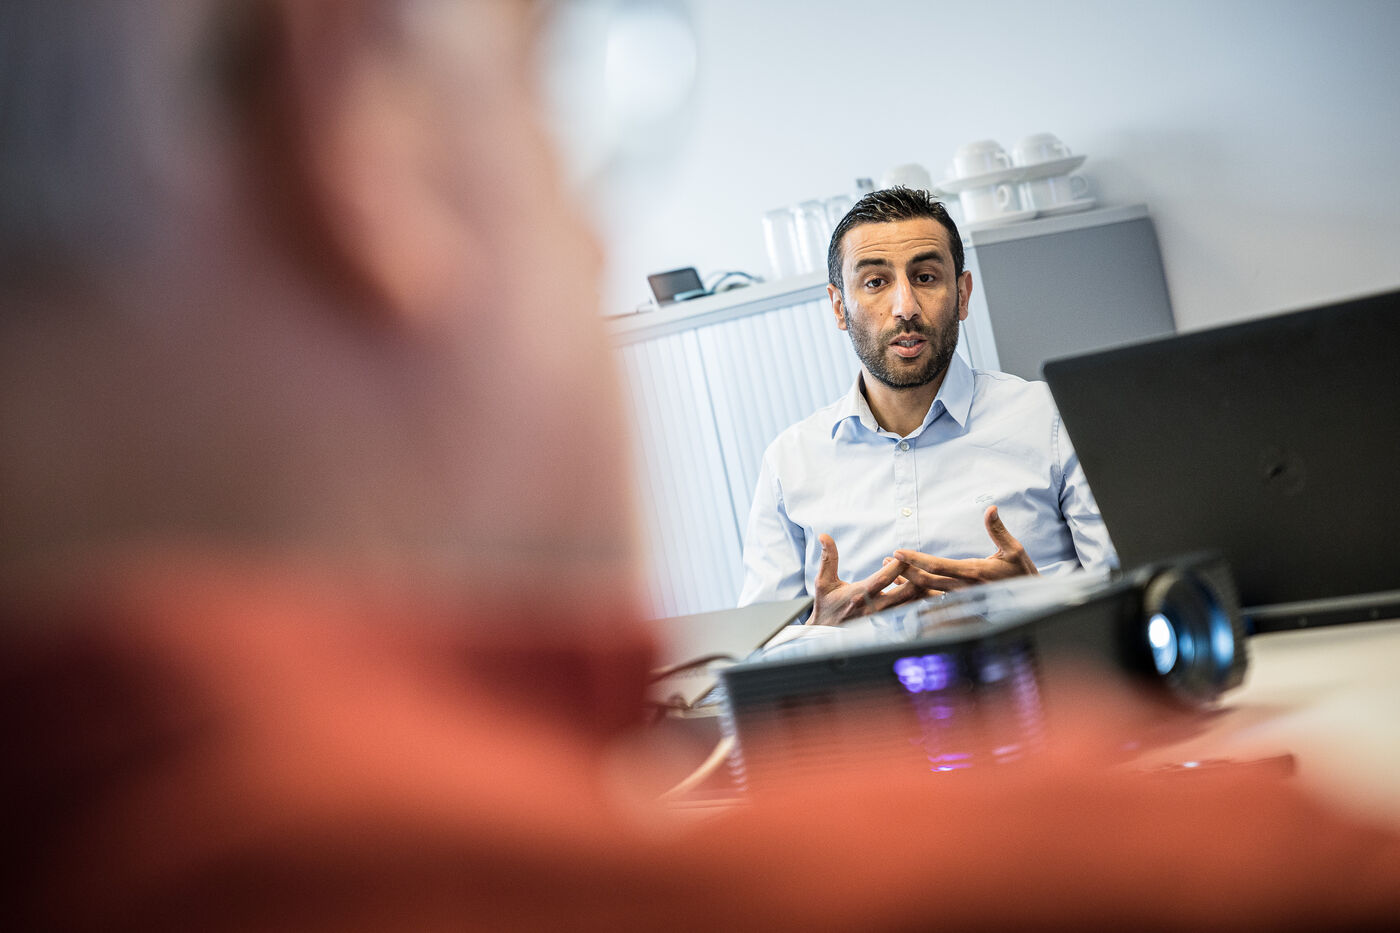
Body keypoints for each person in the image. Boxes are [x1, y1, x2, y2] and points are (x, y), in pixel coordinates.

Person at [4, 2, 1399, 930]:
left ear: (963, 292)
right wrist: (822, 620)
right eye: (557, 111)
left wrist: (1030, 588)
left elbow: (1137, 571)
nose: (587, 238)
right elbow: (756, 634)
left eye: (927, 277)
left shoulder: (1045, 417)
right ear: (354, 129)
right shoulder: (1206, 882)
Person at [739, 188, 1117, 626]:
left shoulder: (1055, 418)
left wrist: (1034, 599)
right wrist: (817, 632)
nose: (905, 307)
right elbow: (760, 650)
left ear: (963, 294)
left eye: (925, 277)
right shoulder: (789, 462)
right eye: (875, 282)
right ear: (839, 307)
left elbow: (1139, 602)